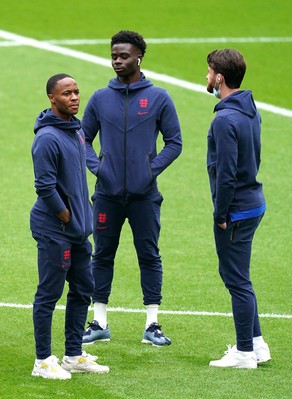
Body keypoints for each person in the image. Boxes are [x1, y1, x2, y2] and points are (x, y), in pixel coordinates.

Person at [81, 30, 182, 345]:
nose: (117, 61)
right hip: (107, 196)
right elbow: (82, 138)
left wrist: (148, 170)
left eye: (123, 56)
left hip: (144, 196)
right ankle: (99, 322)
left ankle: (152, 324)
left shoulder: (158, 98)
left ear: (139, 57)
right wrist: (99, 168)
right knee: (102, 255)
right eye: (113, 55)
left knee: (149, 255)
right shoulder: (100, 98)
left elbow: (174, 142)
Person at [30, 74, 110, 380]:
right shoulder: (48, 138)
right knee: (49, 293)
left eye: (77, 92)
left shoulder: (75, 131)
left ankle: (73, 354)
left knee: (82, 290)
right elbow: (45, 188)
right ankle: (42, 361)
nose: (75, 97)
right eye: (67, 93)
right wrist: (68, 217)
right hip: (55, 229)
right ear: (52, 98)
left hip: (77, 230)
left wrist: (80, 219)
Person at [205, 49, 271, 369]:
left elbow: (226, 174)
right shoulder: (248, 109)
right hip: (253, 203)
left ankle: (244, 353)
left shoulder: (224, 119)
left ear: (219, 77)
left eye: (208, 72)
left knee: (236, 281)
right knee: (240, 277)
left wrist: (220, 214)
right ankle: (257, 345)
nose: (206, 77)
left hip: (236, 210)